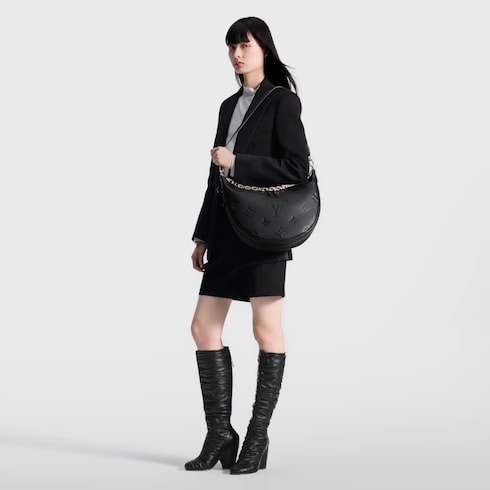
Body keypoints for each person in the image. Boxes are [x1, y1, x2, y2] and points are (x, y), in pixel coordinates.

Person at [185, 16, 310, 475]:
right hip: (226, 230)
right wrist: (202, 234)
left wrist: (238, 161)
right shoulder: (227, 106)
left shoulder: (282, 101)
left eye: (246, 46)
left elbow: (297, 167)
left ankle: (257, 435)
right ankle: (220, 433)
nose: (237, 54)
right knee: (203, 327)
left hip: (264, 234)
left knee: (265, 331)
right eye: (232, 47)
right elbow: (215, 178)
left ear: (264, 50)